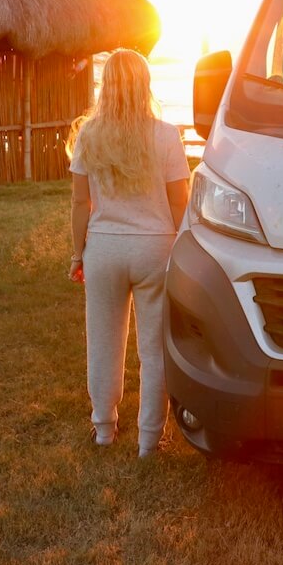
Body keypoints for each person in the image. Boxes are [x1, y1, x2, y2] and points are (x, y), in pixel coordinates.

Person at [65, 49, 191, 458]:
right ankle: (148, 440)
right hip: (156, 248)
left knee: (103, 341)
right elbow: (180, 202)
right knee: (153, 349)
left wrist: (77, 255)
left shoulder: (89, 134)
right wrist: (187, 251)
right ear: (145, 84)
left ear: (106, 86)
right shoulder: (166, 134)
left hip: (104, 247)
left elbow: (80, 203)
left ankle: (104, 428)